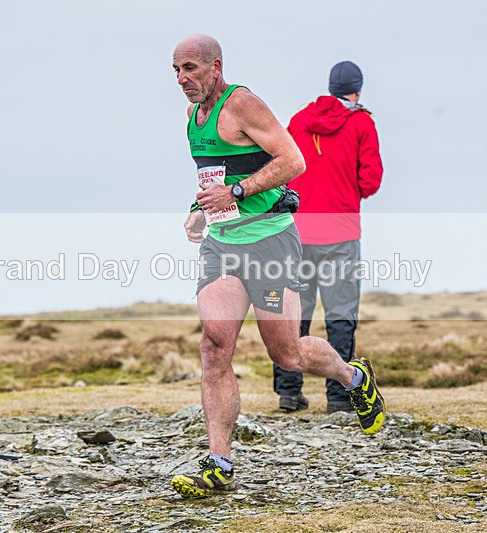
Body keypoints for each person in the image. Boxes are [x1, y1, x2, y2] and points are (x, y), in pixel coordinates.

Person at [170, 35, 386, 499]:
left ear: (215, 66)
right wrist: (198, 209)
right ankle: (219, 462)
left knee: (287, 354)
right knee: (214, 345)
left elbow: (293, 160)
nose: (182, 78)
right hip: (222, 246)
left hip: (270, 243)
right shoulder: (193, 117)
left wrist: (238, 193)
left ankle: (353, 377)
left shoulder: (243, 105)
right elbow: (214, 177)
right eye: (176, 70)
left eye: (190, 68)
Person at [273, 61, 384, 414]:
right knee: (341, 315)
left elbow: (280, 169)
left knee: (294, 315)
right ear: (357, 89)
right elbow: (370, 181)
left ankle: (288, 393)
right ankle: (339, 397)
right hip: (341, 231)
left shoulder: (299, 120)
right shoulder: (362, 123)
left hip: (295, 233)